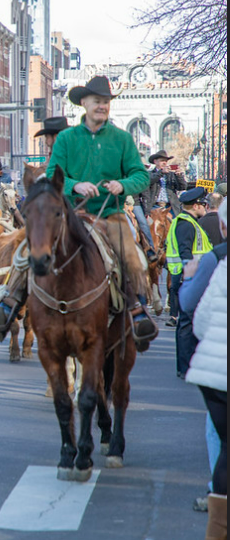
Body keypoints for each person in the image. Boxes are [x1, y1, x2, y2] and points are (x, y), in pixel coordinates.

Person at [0, 75, 157, 350]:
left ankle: (138, 311)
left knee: (133, 257)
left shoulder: (122, 139)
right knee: (29, 249)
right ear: (84, 104)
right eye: (96, 101)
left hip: (109, 214)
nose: (101, 106)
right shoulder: (66, 139)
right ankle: (10, 301)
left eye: (105, 102)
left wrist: (121, 184)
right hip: (70, 214)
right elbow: (53, 173)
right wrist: (77, 185)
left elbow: (141, 175)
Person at [179, 198, 226, 515]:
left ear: (222, 227)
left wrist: (187, 277)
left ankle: (138, 303)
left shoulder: (217, 260)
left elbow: (197, 313)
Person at [164, 186, 212, 376]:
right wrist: (191, 279)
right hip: (187, 278)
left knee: (188, 323)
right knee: (186, 324)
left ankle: (187, 365)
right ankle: (185, 368)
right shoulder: (186, 224)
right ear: (195, 205)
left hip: (187, 278)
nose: (205, 207)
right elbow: (186, 253)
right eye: (203, 204)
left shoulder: (188, 222)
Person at [143, 150, 187, 216]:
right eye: (162, 160)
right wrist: (161, 172)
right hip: (154, 206)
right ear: (155, 161)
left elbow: (182, 187)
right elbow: (149, 181)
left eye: (166, 161)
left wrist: (179, 176)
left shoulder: (171, 175)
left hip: (170, 207)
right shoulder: (150, 174)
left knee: (175, 224)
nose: (164, 163)